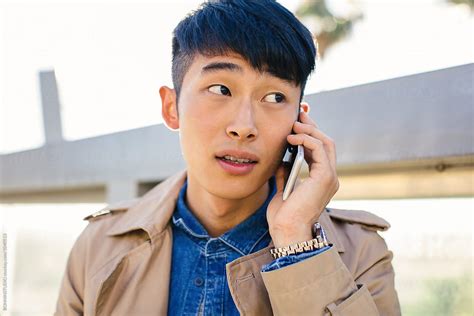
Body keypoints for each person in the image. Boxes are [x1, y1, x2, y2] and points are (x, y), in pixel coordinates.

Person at [55, 0, 401, 315]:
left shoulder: (361, 254)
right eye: (221, 89)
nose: (243, 127)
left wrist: (297, 246)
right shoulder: (99, 246)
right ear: (171, 107)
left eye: (275, 97)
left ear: (300, 121)